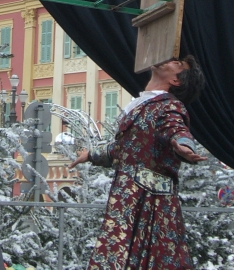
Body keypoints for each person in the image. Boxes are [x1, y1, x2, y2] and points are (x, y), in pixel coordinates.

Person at [69, 56, 206, 270]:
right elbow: (124, 148)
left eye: (177, 64)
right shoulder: (145, 105)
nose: (169, 60)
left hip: (149, 201)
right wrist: (91, 154)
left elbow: (176, 128)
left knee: (149, 258)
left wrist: (184, 145)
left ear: (176, 80)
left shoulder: (169, 105)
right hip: (128, 199)